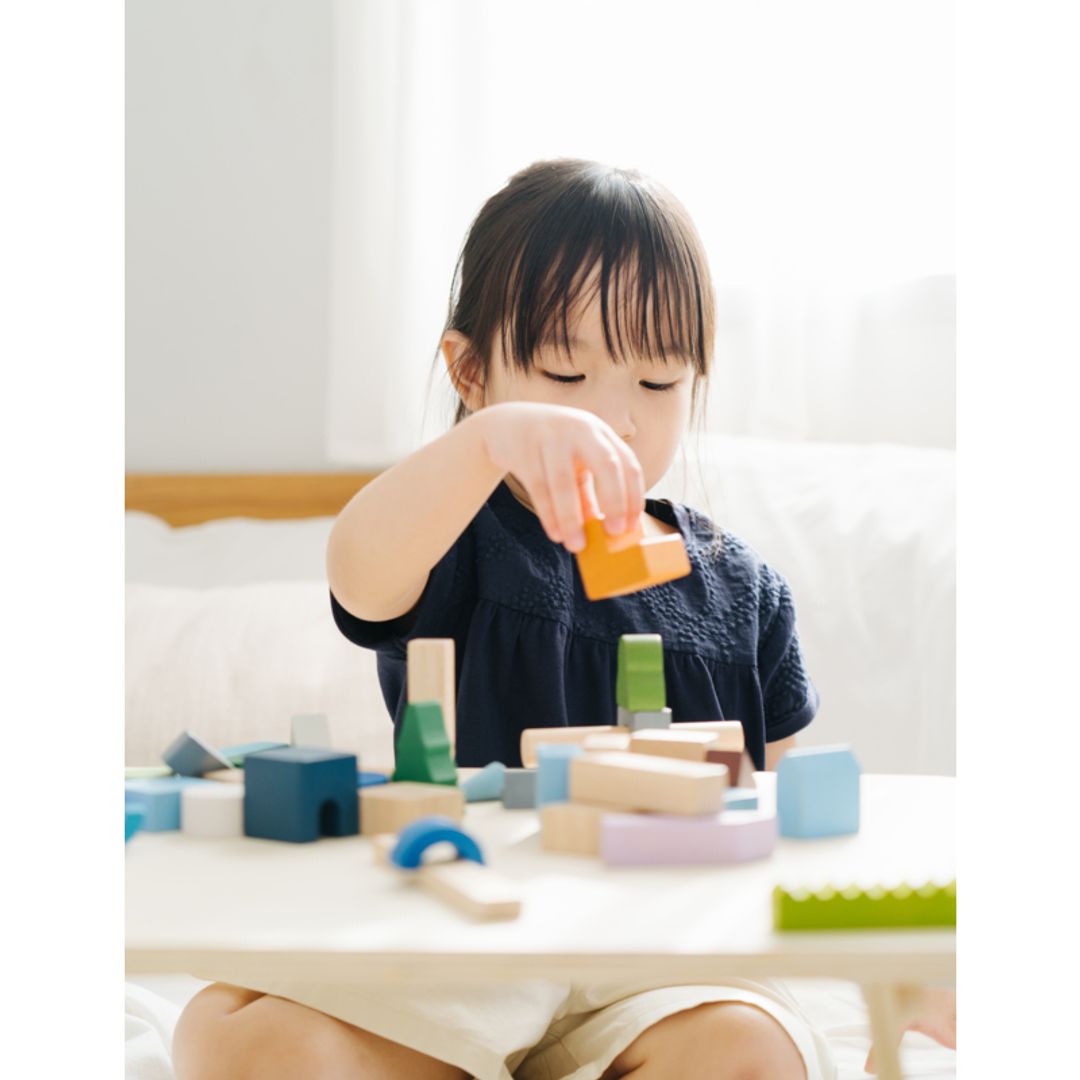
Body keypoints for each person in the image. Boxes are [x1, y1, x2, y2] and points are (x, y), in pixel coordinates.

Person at [172, 159, 953, 1080]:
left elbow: (798, 818)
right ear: (472, 372)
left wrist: (903, 959)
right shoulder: (454, 533)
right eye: (565, 373)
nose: (615, 417)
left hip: (661, 958)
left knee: (747, 1051)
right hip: (467, 931)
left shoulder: (744, 591)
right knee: (253, 1039)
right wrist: (489, 444)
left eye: (658, 380)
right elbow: (360, 575)